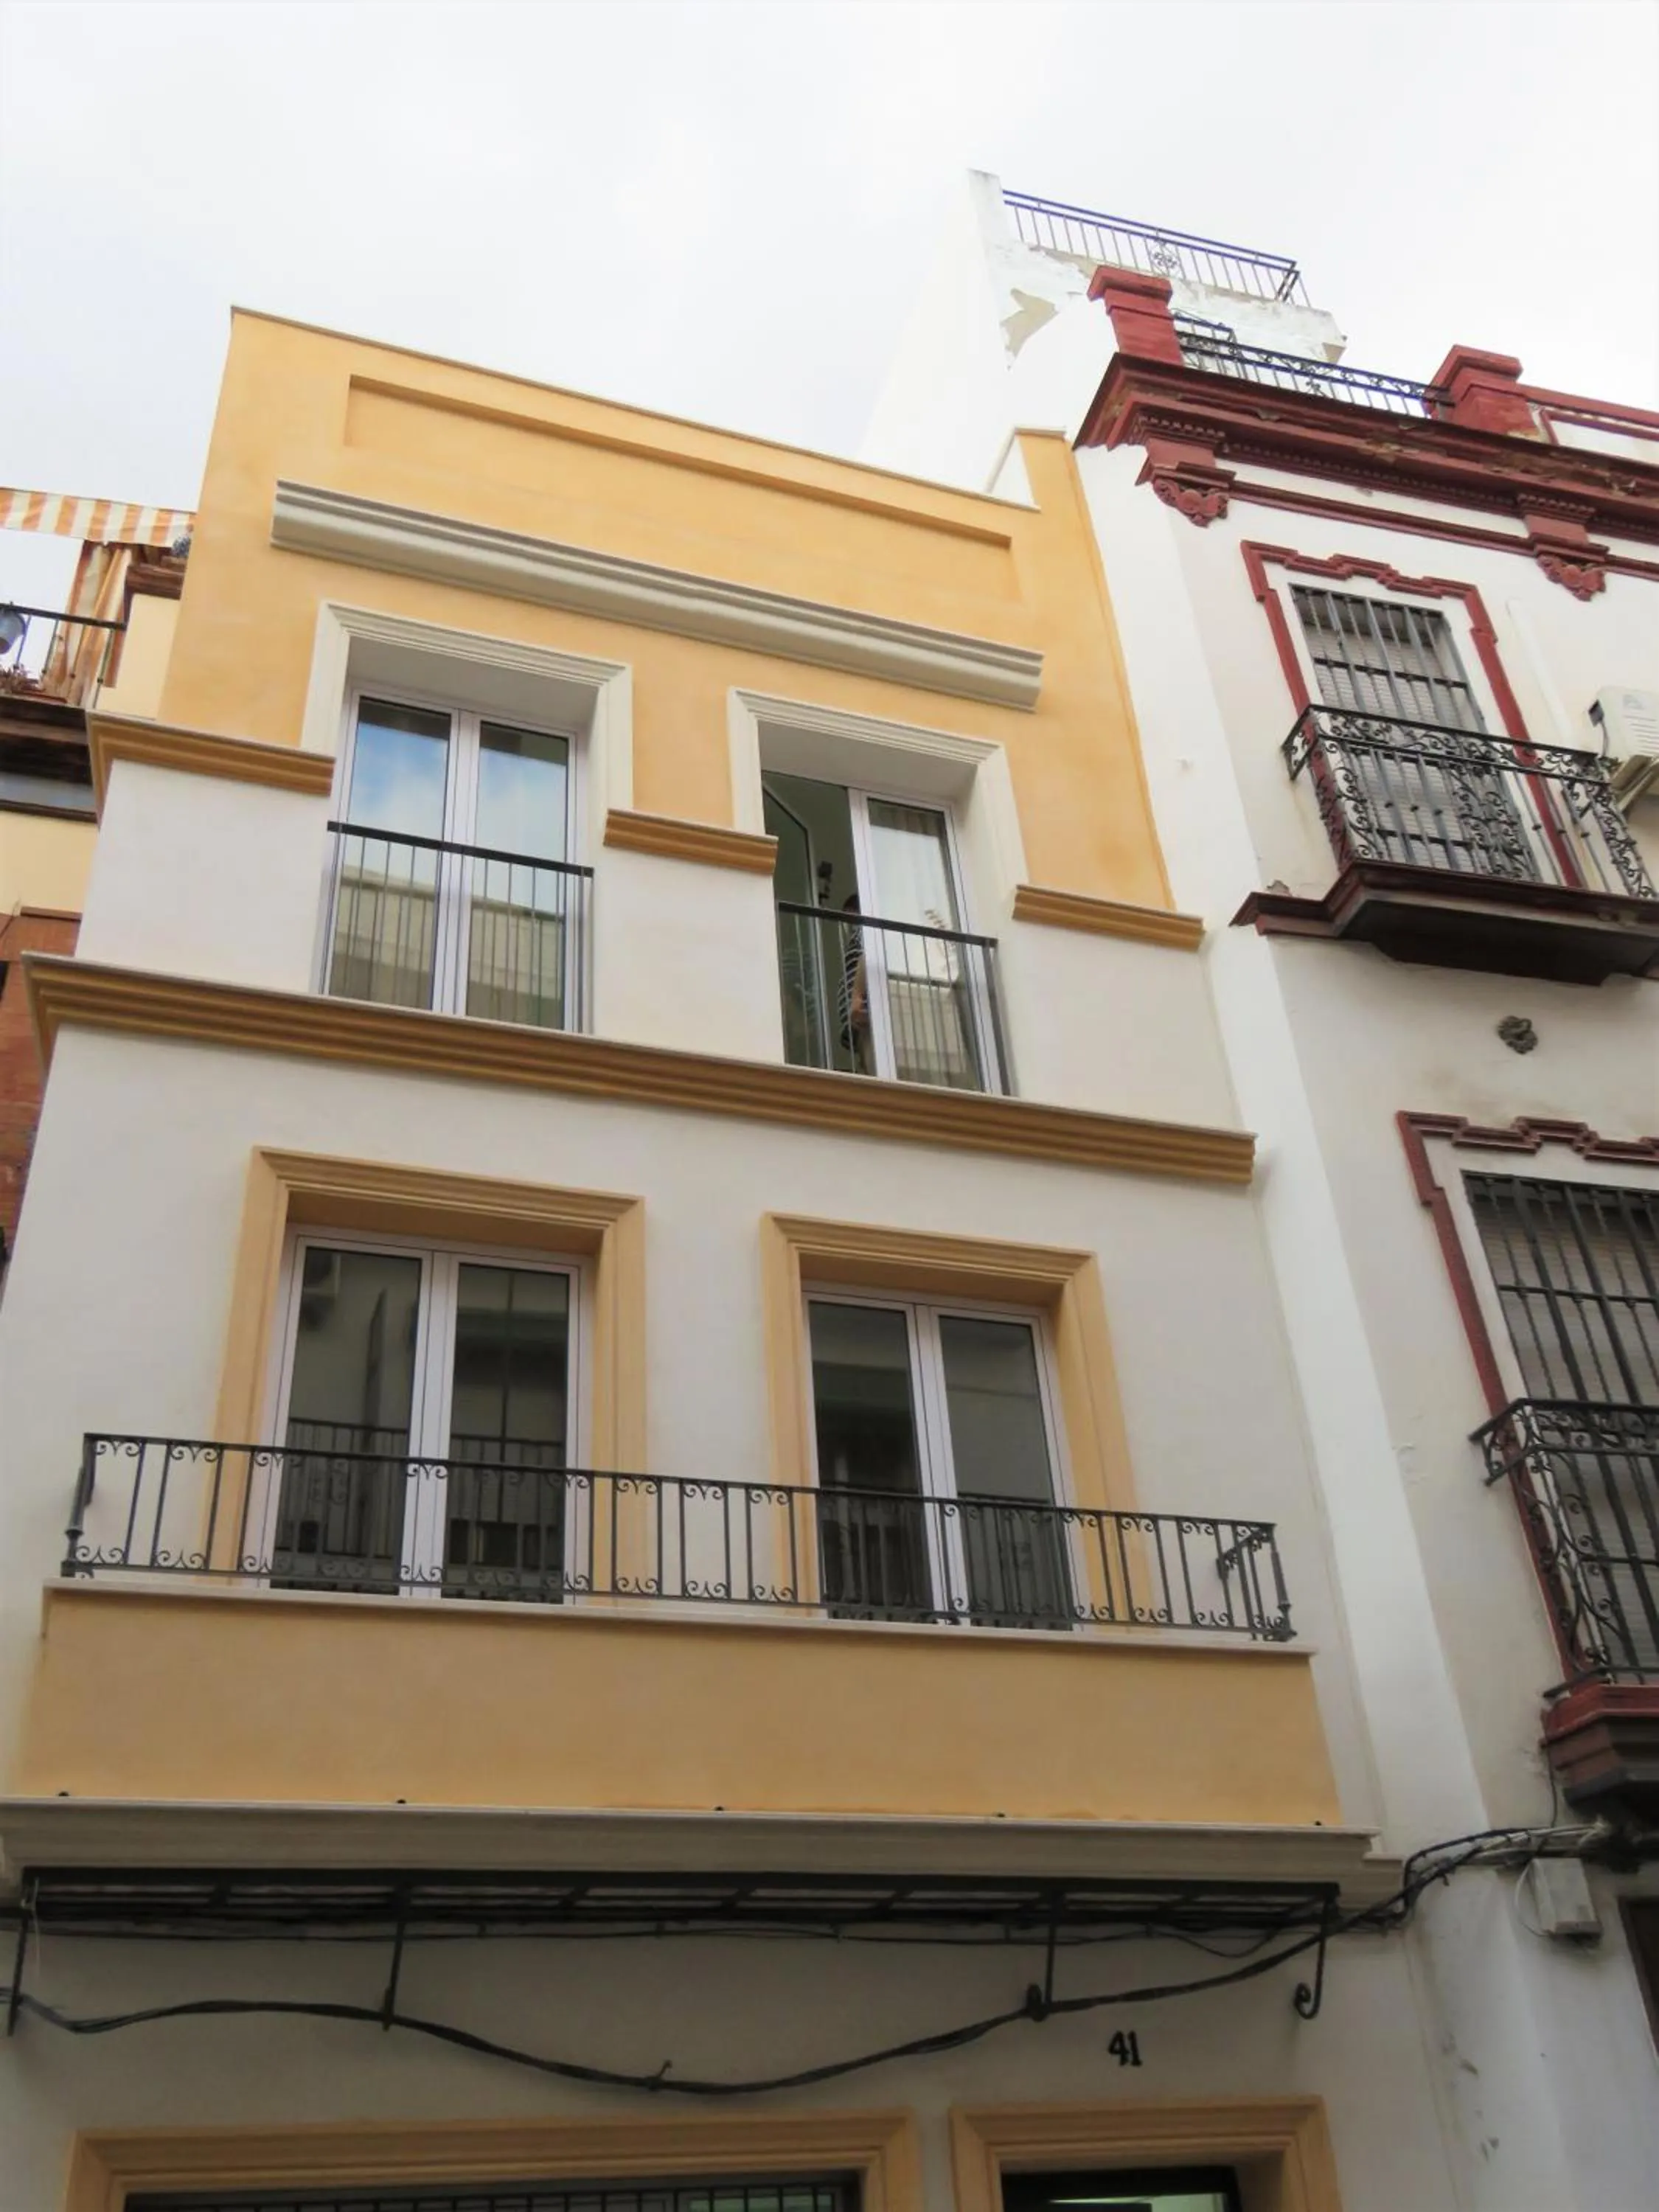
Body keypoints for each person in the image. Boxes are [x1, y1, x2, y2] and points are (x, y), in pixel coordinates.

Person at [837, 894, 875, 1076]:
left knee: (874, 1062)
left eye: (849, 917)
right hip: (860, 1019)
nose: (848, 925)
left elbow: (868, 957)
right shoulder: (858, 936)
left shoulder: (865, 932)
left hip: (864, 1014)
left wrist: (858, 999)